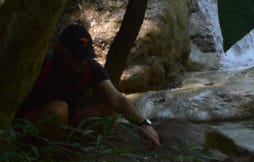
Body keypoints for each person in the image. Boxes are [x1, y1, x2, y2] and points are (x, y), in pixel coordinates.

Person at [16, 23, 161, 148]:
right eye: (77, 56)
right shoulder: (42, 63)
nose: (82, 61)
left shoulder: (90, 68)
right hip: (29, 126)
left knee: (107, 111)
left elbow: (117, 99)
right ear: (61, 48)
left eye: (86, 56)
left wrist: (143, 124)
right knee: (59, 109)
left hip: (67, 126)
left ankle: (71, 161)